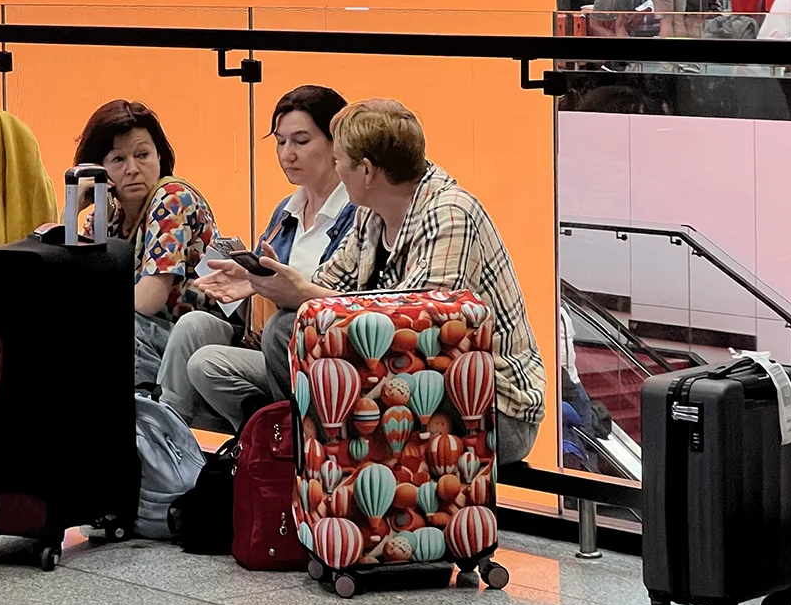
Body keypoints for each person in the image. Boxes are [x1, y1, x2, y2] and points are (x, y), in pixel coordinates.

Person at [200, 99, 546, 463]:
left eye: (338, 160)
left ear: (366, 170)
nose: (335, 169)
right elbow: (330, 282)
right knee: (286, 329)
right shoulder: (371, 213)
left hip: (490, 409)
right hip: (407, 385)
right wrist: (266, 283)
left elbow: (426, 337)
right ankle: (314, 460)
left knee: (291, 328)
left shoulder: (450, 215)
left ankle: (326, 462)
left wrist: (305, 294)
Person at [158, 86, 356, 432]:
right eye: (280, 142)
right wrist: (247, 283)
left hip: (311, 353)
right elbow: (261, 294)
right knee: (193, 326)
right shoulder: (287, 210)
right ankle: (166, 429)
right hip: (260, 338)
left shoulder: (356, 213)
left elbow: (346, 301)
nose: (287, 154)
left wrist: (279, 290)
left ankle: (260, 438)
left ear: (336, 143)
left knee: (207, 364)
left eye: (301, 141)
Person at [73, 99, 219, 389]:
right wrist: (72, 209)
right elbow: (69, 282)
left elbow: (148, 300)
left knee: (113, 327)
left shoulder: (172, 197)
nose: (133, 169)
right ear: (97, 169)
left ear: (159, 156)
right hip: (151, 335)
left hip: (195, 337)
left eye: (142, 155)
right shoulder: (109, 215)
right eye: (118, 159)